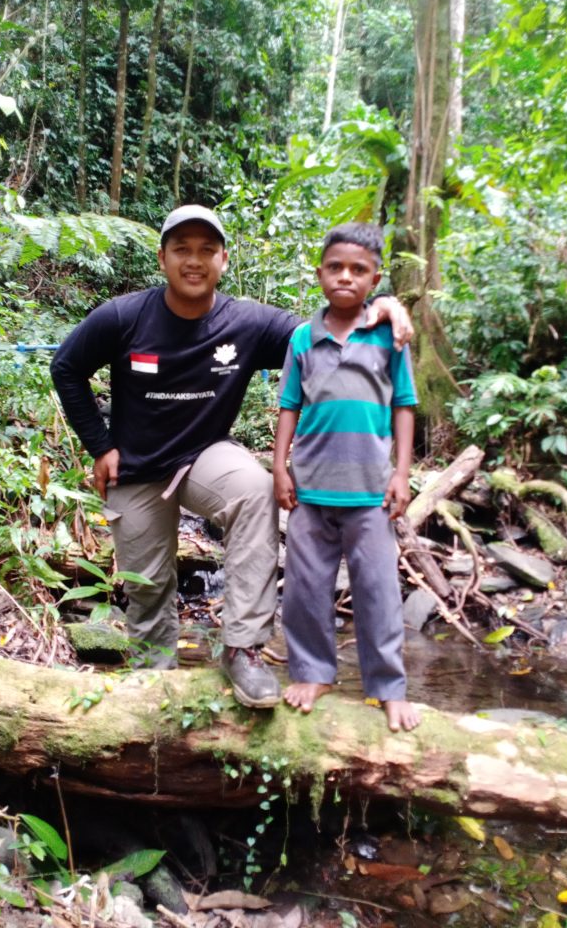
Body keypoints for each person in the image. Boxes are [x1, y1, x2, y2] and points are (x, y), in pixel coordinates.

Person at [51, 204, 412, 709]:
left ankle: (242, 647)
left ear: (223, 260)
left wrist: (383, 307)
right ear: (162, 258)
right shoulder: (123, 316)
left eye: (205, 251)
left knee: (256, 489)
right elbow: (66, 367)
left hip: (204, 457)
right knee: (148, 589)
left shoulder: (248, 322)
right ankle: (155, 692)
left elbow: (327, 330)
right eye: (181, 249)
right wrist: (100, 445)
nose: (193, 261)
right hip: (135, 467)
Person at [273, 221, 421, 731]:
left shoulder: (389, 336)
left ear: (374, 278)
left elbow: (404, 406)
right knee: (304, 589)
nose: (345, 277)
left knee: (378, 589)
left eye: (358, 270)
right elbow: (290, 405)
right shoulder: (301, 337)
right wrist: (278, 467)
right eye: (335, 267)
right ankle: (314, 672)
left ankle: (388, 686)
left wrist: (402, 474)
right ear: (319, 273)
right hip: (310, 488)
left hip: (371, 491)